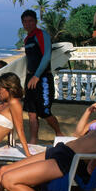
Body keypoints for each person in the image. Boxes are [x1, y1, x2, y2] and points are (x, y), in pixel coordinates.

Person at [21, 9, 63, 144]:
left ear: (35, 21)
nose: (28, 24)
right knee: (31, 112)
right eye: (25, 22)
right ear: (22, 23)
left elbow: (46, 56)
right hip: (30, 78)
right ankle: (33, 140)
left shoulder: (42, 35)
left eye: (30, 21)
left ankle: (59, 134)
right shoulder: (27, 39)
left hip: (43, 78)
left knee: (44, 112)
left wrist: (37, 75)